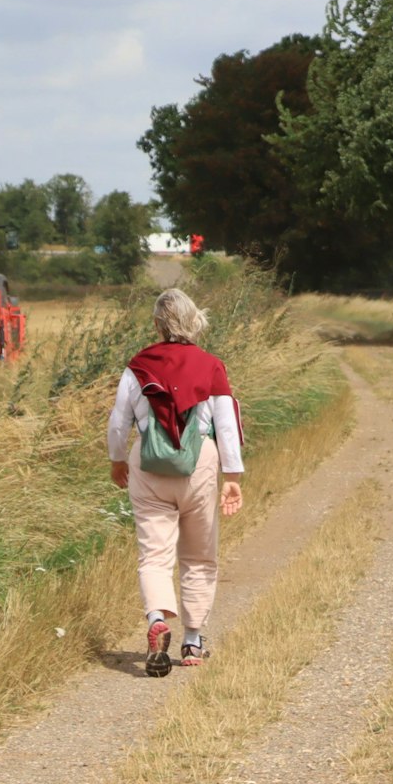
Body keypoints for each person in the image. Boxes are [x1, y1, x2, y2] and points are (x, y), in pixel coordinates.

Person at [107, 288, 245, 676]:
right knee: (199, 555)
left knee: (154, 555)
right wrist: (231, 477)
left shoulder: (138, 365)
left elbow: (119, 422)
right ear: (195, 320)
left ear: (157, 324)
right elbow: (227, 425)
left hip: (148, 465)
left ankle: (156, 619)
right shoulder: (211, 365)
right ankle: (193, 640)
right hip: (198, 464)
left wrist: (117, 460)